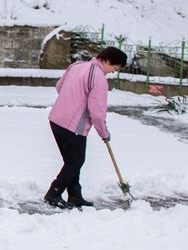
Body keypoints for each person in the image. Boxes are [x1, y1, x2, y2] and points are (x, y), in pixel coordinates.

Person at [46, 46, 127, 208]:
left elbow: (59, 86)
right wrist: (104, 133)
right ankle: (54, 193)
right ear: (108, 60)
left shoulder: (76, 66)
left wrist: (70, 101)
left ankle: (75, 195)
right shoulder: (98, 78)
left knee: (71, 161)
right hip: (73, 126)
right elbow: (97, 113)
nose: (113, 71)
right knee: (75, 162)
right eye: (115, 67)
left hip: (56, 119)